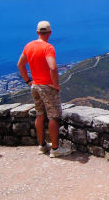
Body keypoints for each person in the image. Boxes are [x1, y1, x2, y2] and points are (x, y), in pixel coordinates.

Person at [17, 21, 72, 157]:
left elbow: (20, 65)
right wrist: (55, 84)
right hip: (47, 86)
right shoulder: (48, 47)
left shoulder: (29, 46)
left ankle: (42, 145)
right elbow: (53, 67)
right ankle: (55, 149)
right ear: (50, 33)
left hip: (35, 86)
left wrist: (28, 81)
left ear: (37, 32)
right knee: (53, 117)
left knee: (40, 115)